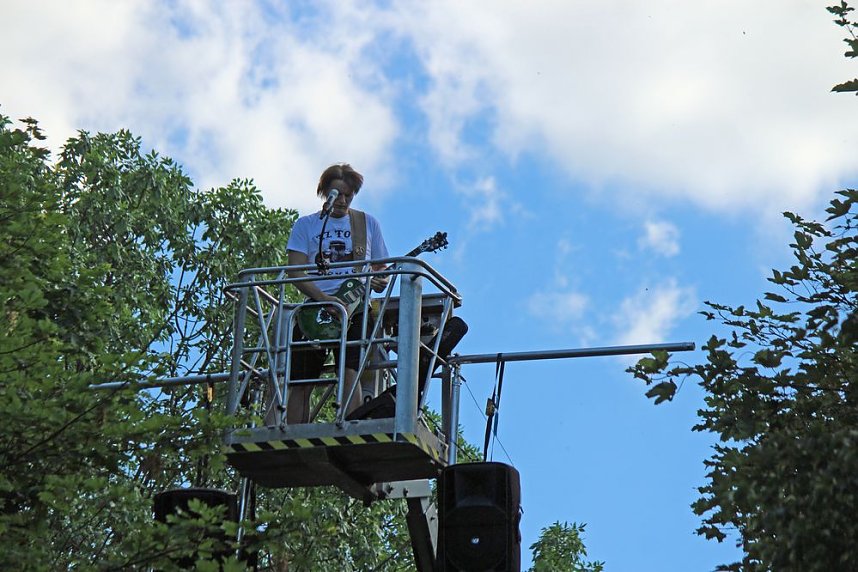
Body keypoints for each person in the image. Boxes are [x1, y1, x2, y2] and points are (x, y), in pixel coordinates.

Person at [285, 163, 389, 423]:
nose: (343, 200)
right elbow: (294, 271)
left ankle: (349, 426)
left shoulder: (367, 223)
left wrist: (379, 279)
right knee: (302, 378)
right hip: (315, 307)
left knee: (350, 371)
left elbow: (381, 267)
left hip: (355, 308)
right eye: (337, 194)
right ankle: (294, 432)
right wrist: (324, 298)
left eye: (348, 195)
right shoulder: (306, 225)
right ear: (325, 192)